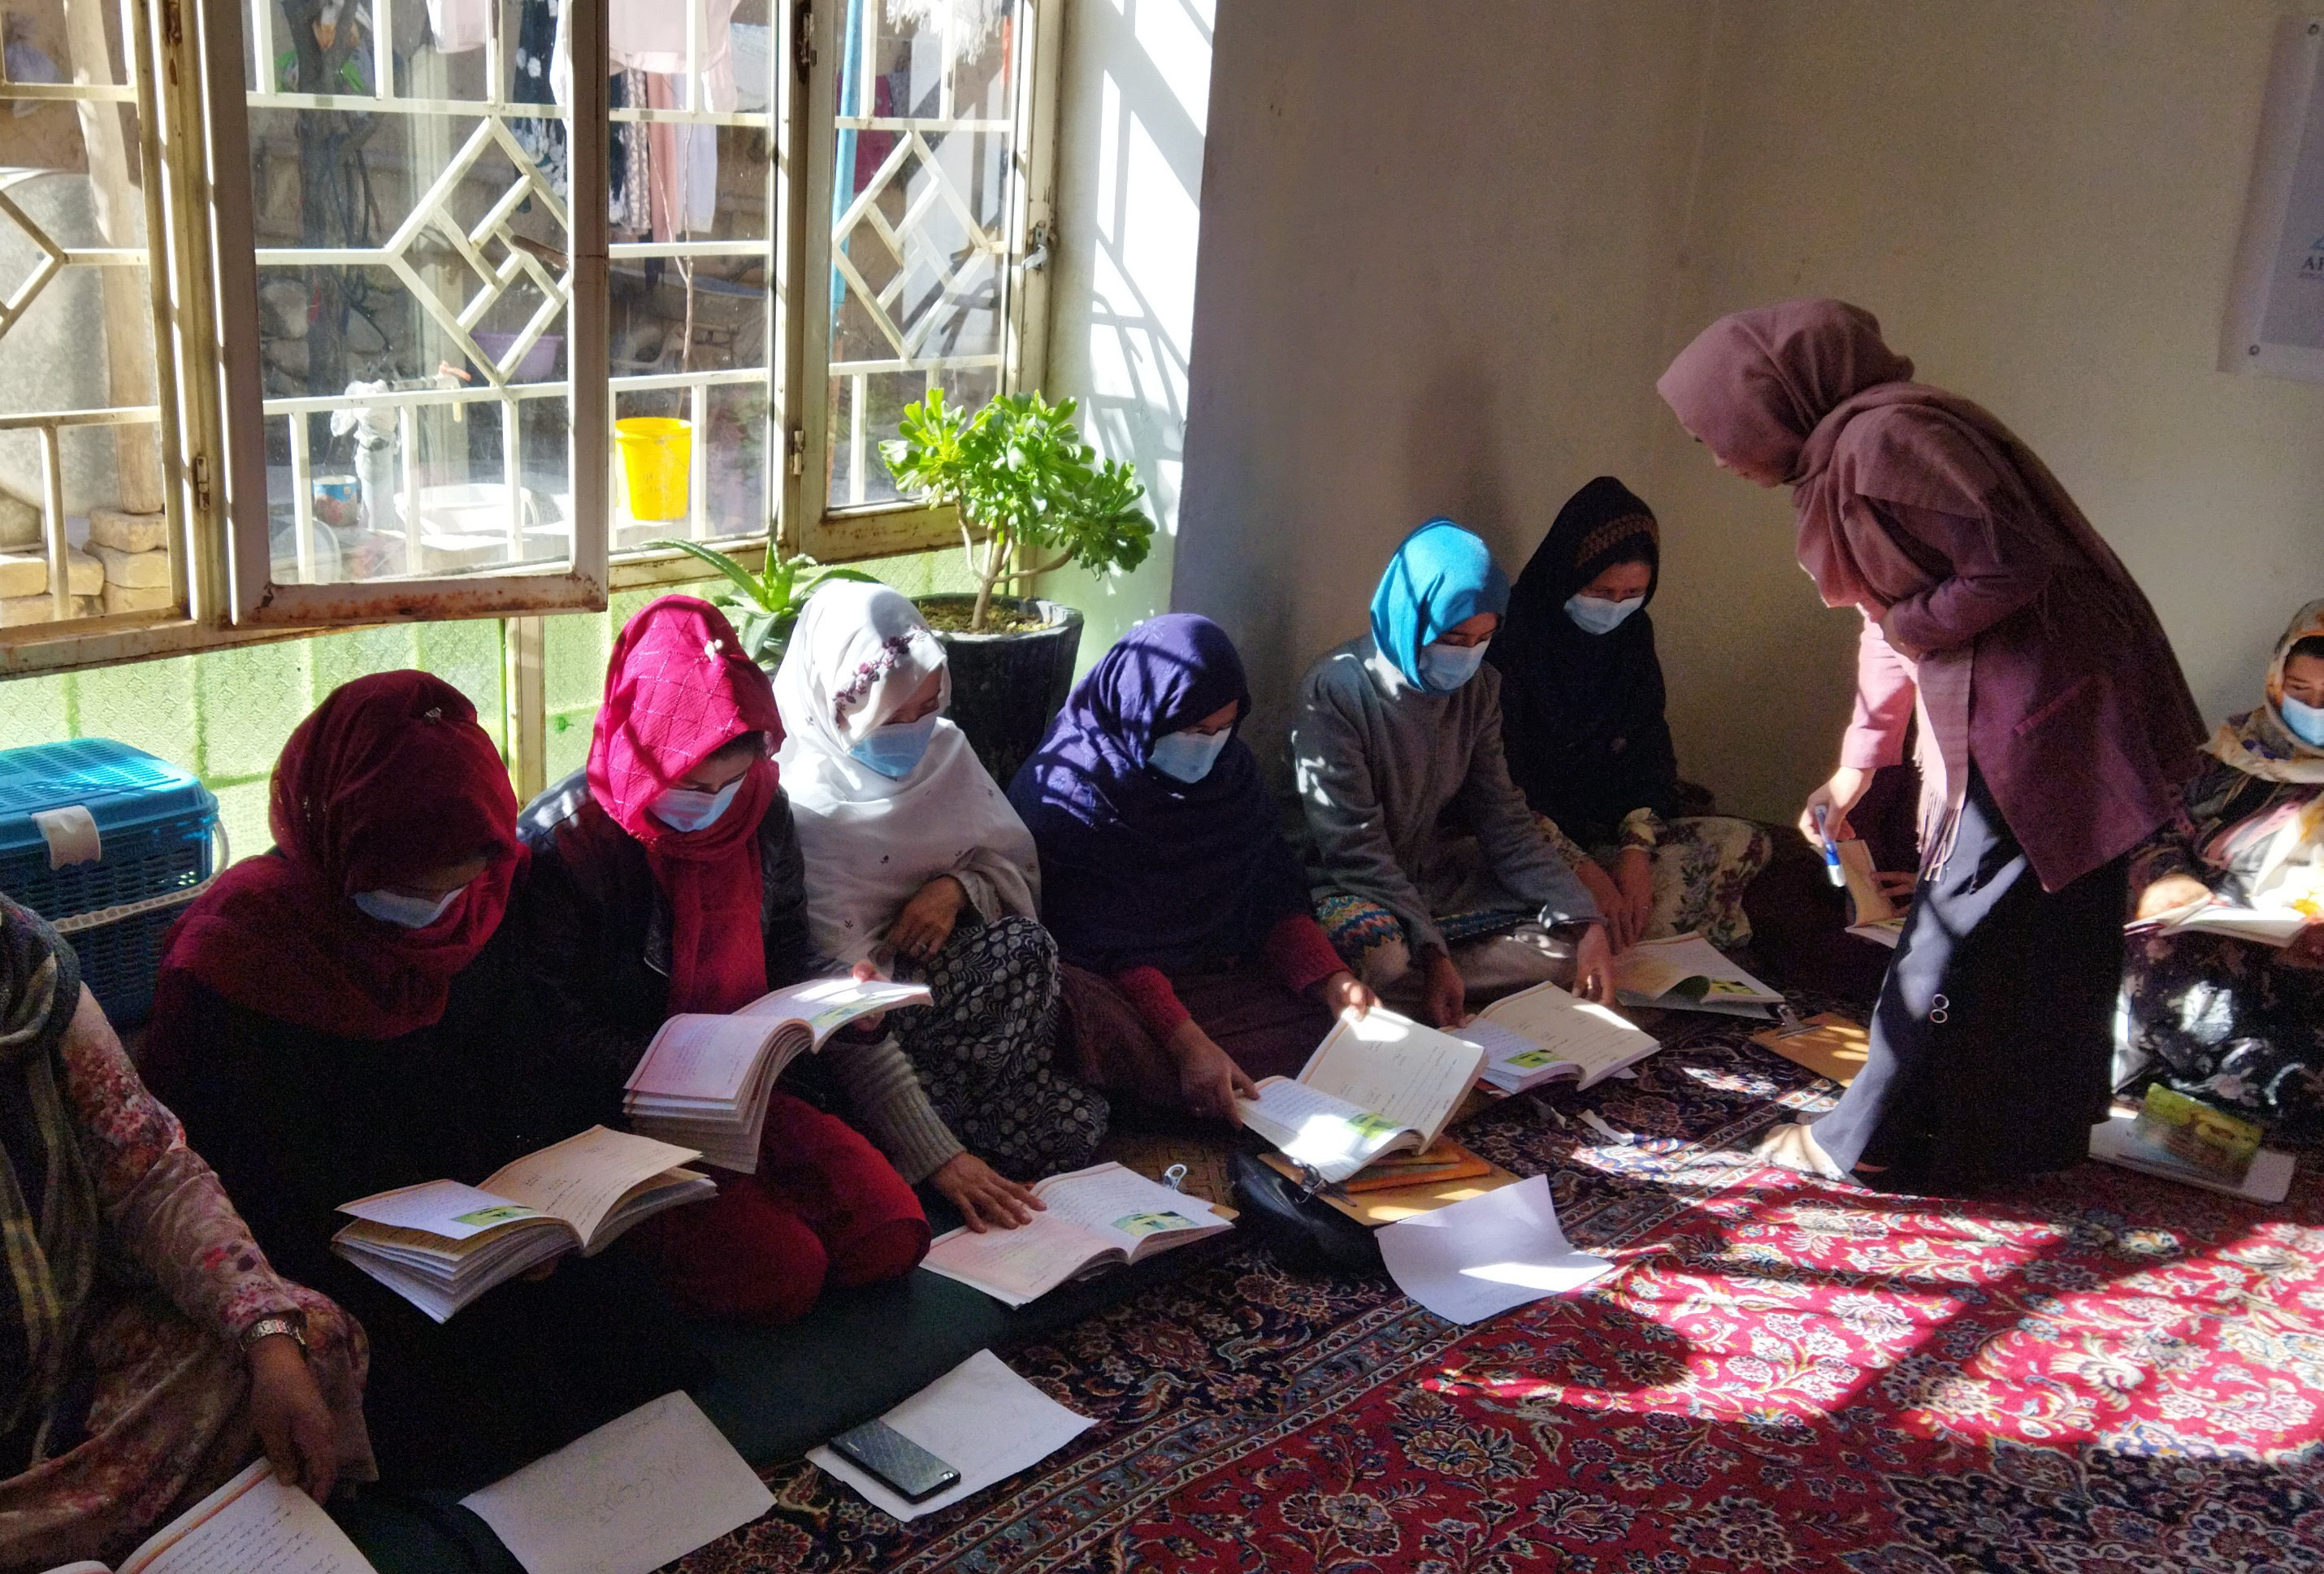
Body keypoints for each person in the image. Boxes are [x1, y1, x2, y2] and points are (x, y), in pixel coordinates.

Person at [1658, 298, 2205, 1189]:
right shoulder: (1844, 458)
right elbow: (1890, 622)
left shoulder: (1885, 441)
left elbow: (2003, 565)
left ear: (1776, 396)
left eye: (1719, 432)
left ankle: (1864, 1136)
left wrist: (1914, 623)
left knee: (1956, 928)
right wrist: (1856, 762)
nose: (1719, 457)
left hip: (2040, 713)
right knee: (2036, 927)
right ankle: (2004, 1141)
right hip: (2022, 702)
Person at [145, 672, 699, 1490]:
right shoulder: (242, 951)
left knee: (638, 1335)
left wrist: (535, 1219)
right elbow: (220, 1177)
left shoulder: (484, 903)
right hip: (333, 1249)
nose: (439, 904)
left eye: (460, 875)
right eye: (411, 881)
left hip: (485, 1225)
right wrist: (417, 1240)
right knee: (469, 1407)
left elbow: (524, 1069)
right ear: (338, 834)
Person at [518, 596, 932, 1314]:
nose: (712, 805)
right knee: (781, 1274)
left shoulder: (762, 811)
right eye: (689, 786)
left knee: (891, 1234)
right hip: (619, 1118)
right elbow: (546, 1027)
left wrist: (846, 999)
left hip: (751, 1097)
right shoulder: (569, 844)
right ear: (639, 747)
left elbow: (788, 949)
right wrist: (674, 1065)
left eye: (732, 781)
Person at [0, 895, 370, 1570]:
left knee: (308, 1340)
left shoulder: (27, 968)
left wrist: (264, 1331)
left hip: (64, 1358)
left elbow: (151, 1174)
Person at [774, 582, 1107, 1225]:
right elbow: (838, 1004)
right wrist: (939, 1154)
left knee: (1073, 1105)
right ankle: (924, 1143)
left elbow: (1012, 865)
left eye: (929, 706)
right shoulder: (801, 806)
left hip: (952, 1016)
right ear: (835, 705)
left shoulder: (946, 751)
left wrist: (955, 890)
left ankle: (952, 1135)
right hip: (863, 1042)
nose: (916, 730)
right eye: (893, 717)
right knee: (1043, 1138)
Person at [1009, 614, 1380, 1120]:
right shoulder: (1072, 792)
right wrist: (1186, 1041)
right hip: (1122, 983)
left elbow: (1268, 895)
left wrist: (1331, 980)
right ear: (1143, 714)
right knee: (1084, 1017)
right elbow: (1103, 943)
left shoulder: (1232, 776)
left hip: (1215, 971)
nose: (1208, 746)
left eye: (1224, 729)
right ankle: (1195, 1074)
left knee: (1343, 1023)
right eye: (1193, 729)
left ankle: (1205, 1081)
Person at [1293, 518, 1614, 1028]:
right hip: (1344, 883)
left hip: (1427, 877)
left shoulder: (1480, 690)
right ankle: (1417, 975)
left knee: (1569, 942)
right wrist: (1434, 950)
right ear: (1411, 616)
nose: (1466, 655)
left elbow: (1504, 817)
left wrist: (1585, 921)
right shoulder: (1338, 689)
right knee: (1383, 954)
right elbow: (1354, 847)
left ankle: (1420, 985)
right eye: (1452, 636)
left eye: (1483, 639)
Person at [1492, 475, 1772, 952]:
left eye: (1633, 593)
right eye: (1600, 592)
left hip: (1606, 830)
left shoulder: (1632, 638)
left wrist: (1636, 851)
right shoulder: (1511, 638)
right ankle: (1619, 943)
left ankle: (1629, 944)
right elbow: (1495, 785)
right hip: (1526, 840)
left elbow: (1647, 745)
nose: (1615, 608)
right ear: (1566, 576)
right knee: (1550, 909)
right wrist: (1582, 870)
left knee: (1742, 840)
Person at [2124, 601, 2324, 1134]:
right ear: (2277, 678)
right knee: (2152, 958)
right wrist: (2170, 880)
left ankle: (2242, 1081)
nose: (2314, 708)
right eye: (2300, 691)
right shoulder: (2227, 755)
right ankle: (2245, 1081)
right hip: (2211, 950)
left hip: (2308, 977)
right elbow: (2155, 829)